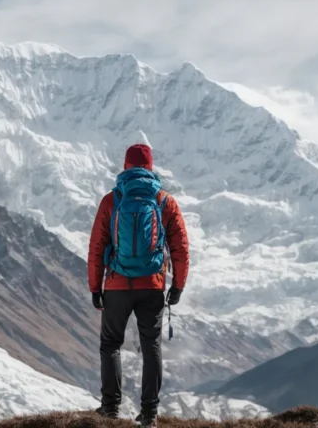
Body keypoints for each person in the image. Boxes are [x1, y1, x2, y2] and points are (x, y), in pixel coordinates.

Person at [88, 144, 190, 427]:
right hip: (152, 285)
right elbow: (180, 247)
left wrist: (95, 287)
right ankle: (149, 414)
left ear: (125, 167)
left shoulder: (112, 200)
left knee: (111, 344)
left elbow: (97, 247)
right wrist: (178, 285)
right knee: (151, 346)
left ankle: (109, 409)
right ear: (150, 168)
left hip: (118, 284)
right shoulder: (164, 201)